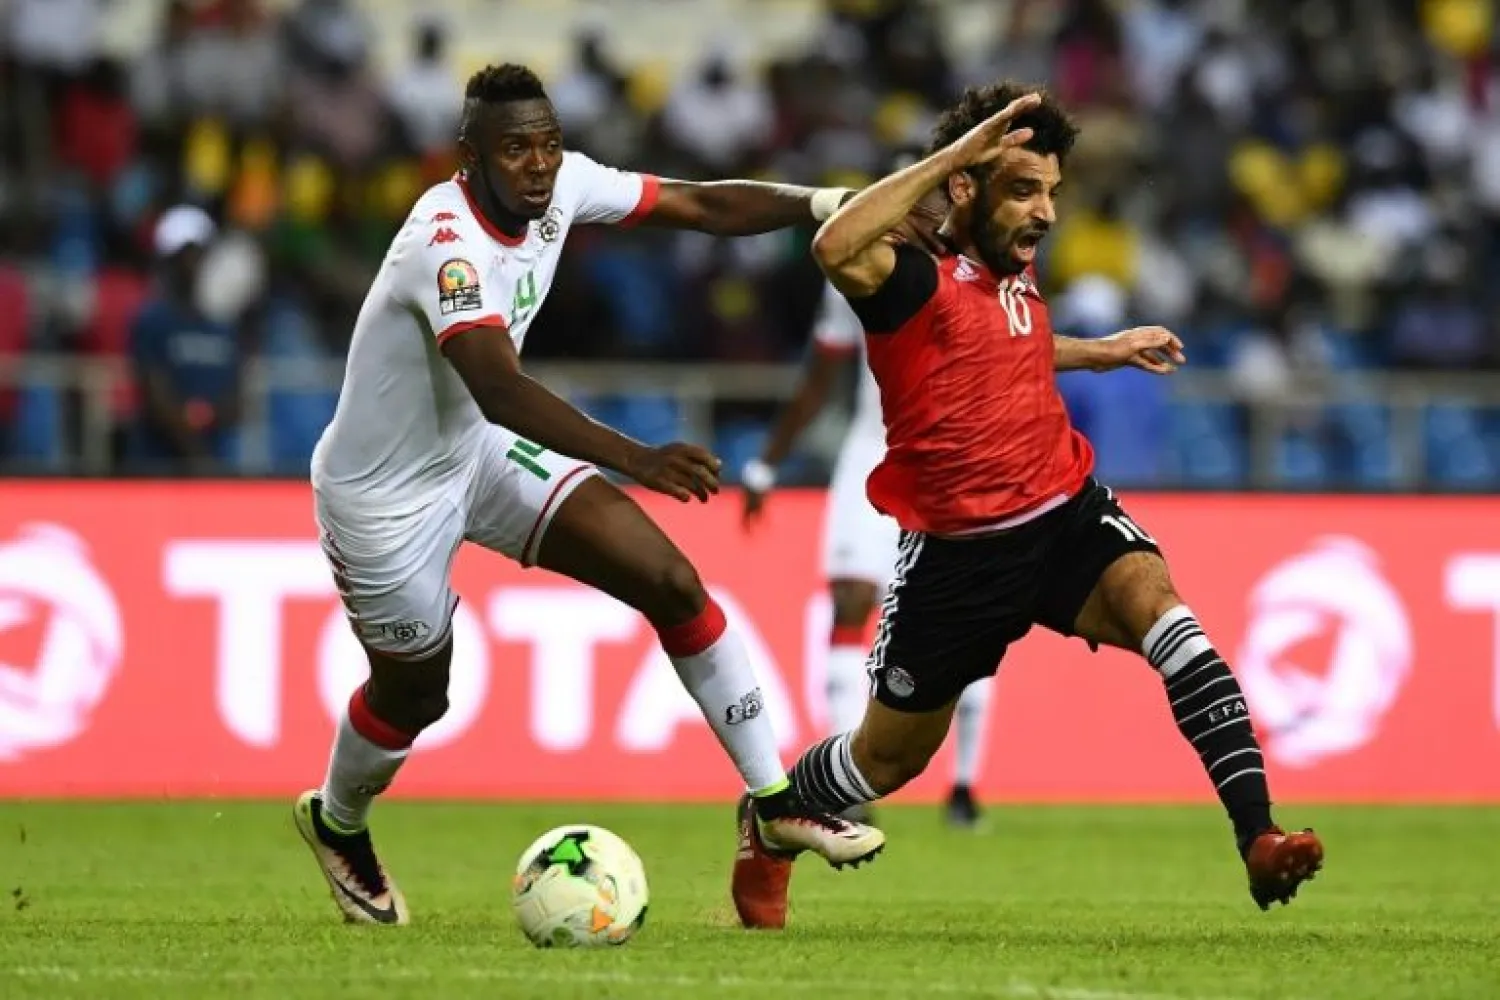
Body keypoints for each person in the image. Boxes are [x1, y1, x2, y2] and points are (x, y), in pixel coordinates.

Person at [293, 64, 881, 926]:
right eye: (515, 149)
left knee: (672, 583)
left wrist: (824, 203)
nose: (538, 164)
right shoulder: (443, 244)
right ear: (470, 158)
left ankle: (773, 803)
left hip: (475, 452)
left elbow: (701, 205)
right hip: (383, 498)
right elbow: (499, 386)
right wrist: (634, 457)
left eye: (549, 143)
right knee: (416, 696)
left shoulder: (565, 183)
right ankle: (337, 820)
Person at [731, 83, 1324, 930]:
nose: (1045, 213)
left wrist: (1099, 351)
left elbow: (1008, 341)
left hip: (1062, 509)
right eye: (1023, 190)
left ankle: (1258, 837)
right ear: (964, 183)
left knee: (1170, 619)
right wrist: (957, 153)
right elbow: (833, 243)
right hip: (958, 555)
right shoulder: (905, 274)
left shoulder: (1011, 258)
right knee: (885, 761)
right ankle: (770, 817)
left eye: (1051, 191)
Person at [740, 174, 993, 830]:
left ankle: (964, 785)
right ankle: (844, 778)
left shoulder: (981, 272)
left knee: (971, 618)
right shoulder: (853, 266)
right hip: (872, 452)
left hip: (951, 461)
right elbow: (820, 375)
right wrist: (767, 464)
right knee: (851, 601)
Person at [130, 205, 242, 473]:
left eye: (198, 253)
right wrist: (196, 453)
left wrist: (208, 417)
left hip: (215, 463)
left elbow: (236, 400)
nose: (191, 263)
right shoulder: (152, 322)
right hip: (159, 468)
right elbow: (155, 396)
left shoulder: (221, 328)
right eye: (183, 254)